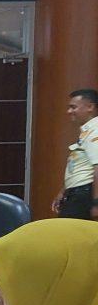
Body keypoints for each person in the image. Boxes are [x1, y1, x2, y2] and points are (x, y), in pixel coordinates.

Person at [52, 89, 98, 220]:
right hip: (76, 193)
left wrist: (96, 203)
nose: (69, 111)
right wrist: (64, 191)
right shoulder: (87, 131)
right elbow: (80, 166)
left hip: (84, 195)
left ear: (90, 107)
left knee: (69, 231)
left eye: (73, 107)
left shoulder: (95, 131)